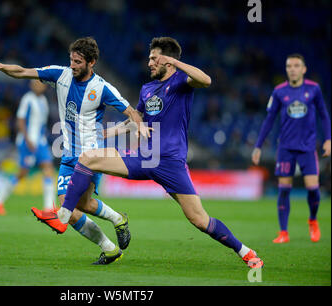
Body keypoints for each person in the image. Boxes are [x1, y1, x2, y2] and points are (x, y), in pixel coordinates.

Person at [32, 37, 264, 269]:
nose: (150, 62)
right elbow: (134, 121)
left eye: (154, 58)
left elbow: (206, 80)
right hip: (144, 158)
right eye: (149, 58)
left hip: (171, 163)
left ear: (169, 61)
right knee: (87, 158)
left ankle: (246, 252)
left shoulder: (182, 81)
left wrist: (175, 62)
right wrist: (106, 133)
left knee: (199, 220)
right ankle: (63, 216)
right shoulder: (147, 89)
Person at [0, 37, 150, 264]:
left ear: (91, 62)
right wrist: (2, 67)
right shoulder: (60, 75)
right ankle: (112, 240)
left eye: (78, 62)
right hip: (68, 155)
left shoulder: (101, 88)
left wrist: (141, 129)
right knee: (79, 208)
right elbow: (23, 72)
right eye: (71, 60)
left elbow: (130, 110)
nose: (73, 65)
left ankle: (95, 226)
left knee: (68, 208)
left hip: (91, 155)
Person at [252, 54, 331, 243]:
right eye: (289, 66)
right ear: (286, 69)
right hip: (285, 148)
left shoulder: (313, 89)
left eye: (296, 65)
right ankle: (283, 232)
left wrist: (328, 139)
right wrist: (258, 146)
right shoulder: (279, 91)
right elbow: (269, 119)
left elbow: (324, 115)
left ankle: (312, 220)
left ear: (304, 69)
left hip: (307, 148)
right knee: (284, 189)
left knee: (313, 189)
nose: (292, 69)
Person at [0, 80, 55, 216]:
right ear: (31, 86)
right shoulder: (27, 99)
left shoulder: (43, 100)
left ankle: (49, 208)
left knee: (48, 169)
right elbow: (20, 120)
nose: (38, 85)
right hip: (28, 142)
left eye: (40, 84)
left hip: (41, 142)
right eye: (35, 83)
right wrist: (27, 139)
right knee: (22, 173)